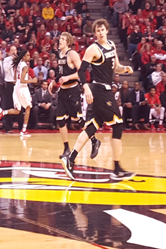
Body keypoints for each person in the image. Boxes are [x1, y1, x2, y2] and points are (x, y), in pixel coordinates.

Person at [61, 18, 135, 181]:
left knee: (92, 127)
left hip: (105, 89)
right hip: (99, 90)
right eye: (98, 30)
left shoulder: (112, 45)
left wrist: (125, 69)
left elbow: (116, 67)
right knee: (118, 124)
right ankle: (116, 169)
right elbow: (81, 72)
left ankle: (70, 158)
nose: (101, 32)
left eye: (103, 29)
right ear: (94, 34)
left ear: (107, 31)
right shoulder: (93, 49)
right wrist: (86, 87)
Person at [53, 32, 100, 158]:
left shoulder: (72, 54)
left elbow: (81, 72)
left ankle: (95, 140)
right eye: (60, 39)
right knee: (60, 120)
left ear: (68, 42)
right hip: (62, 92)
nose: (60, 41)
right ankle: (66, 148)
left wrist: (67, 78)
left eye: (62, 39)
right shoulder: (59, 55)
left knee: (78, 120)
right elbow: (61, 73)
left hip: (72, 91)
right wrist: (54, 80)